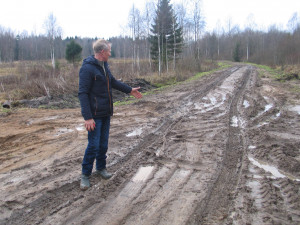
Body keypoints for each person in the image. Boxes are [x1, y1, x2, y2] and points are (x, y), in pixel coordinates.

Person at [78, 39, 142, 190]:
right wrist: (87, 117)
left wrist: (129, 90)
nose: (110, 53)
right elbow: (82, 93)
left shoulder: (104, 66)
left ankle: (101, 168)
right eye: (109, 51)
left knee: (103, 144)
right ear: (102, 52)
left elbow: (112, 81)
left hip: (106, 112)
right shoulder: (87, 69)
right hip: (94, 115)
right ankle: (85, 175)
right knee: (93, 145)